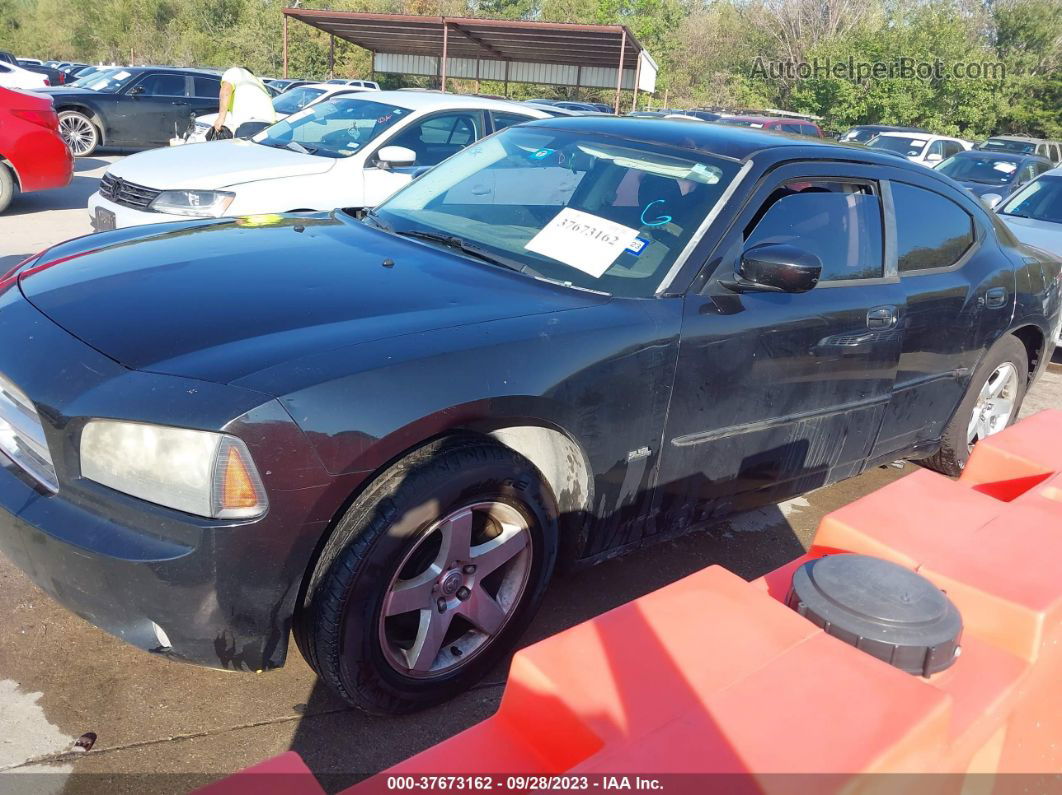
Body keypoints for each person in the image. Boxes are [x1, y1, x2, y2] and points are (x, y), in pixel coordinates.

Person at [213, 66, 276, 139]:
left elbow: (226, 90)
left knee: (244, 149)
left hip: (251, 125)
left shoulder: (235, 71)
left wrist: (221, 118)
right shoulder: (258, 84)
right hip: (269, 127)